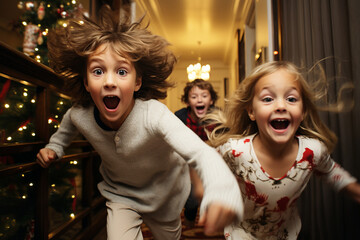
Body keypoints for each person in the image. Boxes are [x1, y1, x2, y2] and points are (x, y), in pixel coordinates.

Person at [36, 5, 243, 240]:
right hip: (121, 194)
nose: (110, 82)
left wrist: (222, 187)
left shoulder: (154, 114)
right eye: (98, 71)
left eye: (122, 72)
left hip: (166, 196)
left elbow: (199, 152)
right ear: (85, 82)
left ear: (137, 82)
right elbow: (66, 128)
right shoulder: (79, 114)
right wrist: (55, 147)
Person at [205, 61, 360, 239]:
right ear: (251, 112)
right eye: (268, 99)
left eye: (291, 99)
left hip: (286, 234)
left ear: (302, 112)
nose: (281, 106)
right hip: (241, 233)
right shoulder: (235, 150)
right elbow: (205, 165)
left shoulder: (312, 151)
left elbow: (332, 173)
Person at [175, 79, 218, 226]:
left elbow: (225, 140)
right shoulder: (179, 118)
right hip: (187, 164)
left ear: (211, 100)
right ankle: (189, 221)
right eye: (194, 97)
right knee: (192, 199)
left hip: (211, 163)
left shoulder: (217, 117)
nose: (199, 99)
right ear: (187, 102)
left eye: (204, 96)